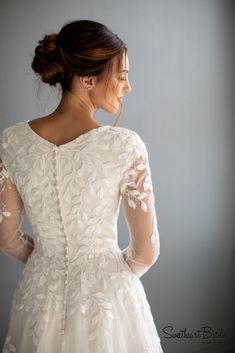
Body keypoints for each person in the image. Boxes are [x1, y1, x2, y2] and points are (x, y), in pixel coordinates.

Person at [0, 19, 163, 353]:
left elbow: (6, 236)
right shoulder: (125, 146)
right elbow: (146, 251)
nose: (127, 87)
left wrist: (49, 260)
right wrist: (106, 273)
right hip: (107, 299)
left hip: (39, 294)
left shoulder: (11, 142)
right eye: (122, 76)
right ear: (88, 79)